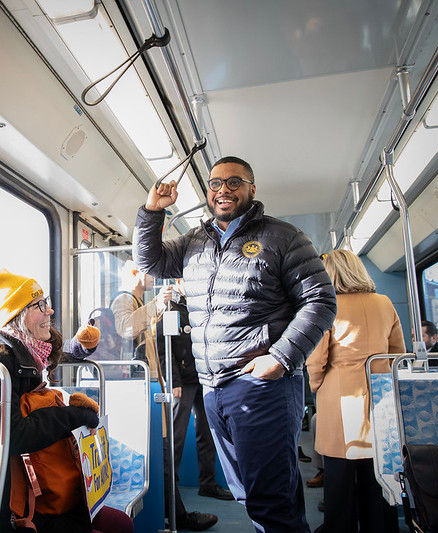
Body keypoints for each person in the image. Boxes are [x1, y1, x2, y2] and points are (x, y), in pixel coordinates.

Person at [134, 156, 337, 532]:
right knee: (249, 492)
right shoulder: (195, 241)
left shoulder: (283, 237)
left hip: (262, 386)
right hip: (213, 387)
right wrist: (152, 212)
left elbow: (321, 301)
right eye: (215, 183)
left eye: (234, 182)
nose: (223, 190)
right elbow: (150, 262)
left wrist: (281, 356)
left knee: (270, 498)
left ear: (251, 188)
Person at [0, 270, 131, 533]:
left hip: (37, 483)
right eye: (40, 305)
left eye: (46, 302)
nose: (49, 311)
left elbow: (52, 356)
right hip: (11, 502)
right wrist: (74, 416)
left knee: (120, 523)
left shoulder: (25, 351)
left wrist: (78, 347)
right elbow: (12, 434)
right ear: (18, 315)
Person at [306, 249, 403, 533]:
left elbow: (316, 359)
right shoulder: (385, 303)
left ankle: (340, 527)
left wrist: (317, 386)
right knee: (378, 474)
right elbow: (397, 351)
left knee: (340, 476)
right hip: (380, 394)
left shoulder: (327, 305)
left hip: (341, 395)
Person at [157, 281, 228, 531]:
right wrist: (173, 380)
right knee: (175, 438)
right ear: (178, 283)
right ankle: (171, 490)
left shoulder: (202, 305)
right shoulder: (169, 308)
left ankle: (208, 482)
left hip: (204, 377)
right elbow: (163, 347)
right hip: (183, 381)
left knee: (207, 432)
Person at [110, 260, 172, 374]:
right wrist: (157, 304)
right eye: (149, 272)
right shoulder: (123, 299)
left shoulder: (138, 301)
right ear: (134, 273)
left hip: (143, 369)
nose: (154, 276)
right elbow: (126, 328)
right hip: (130, 371)